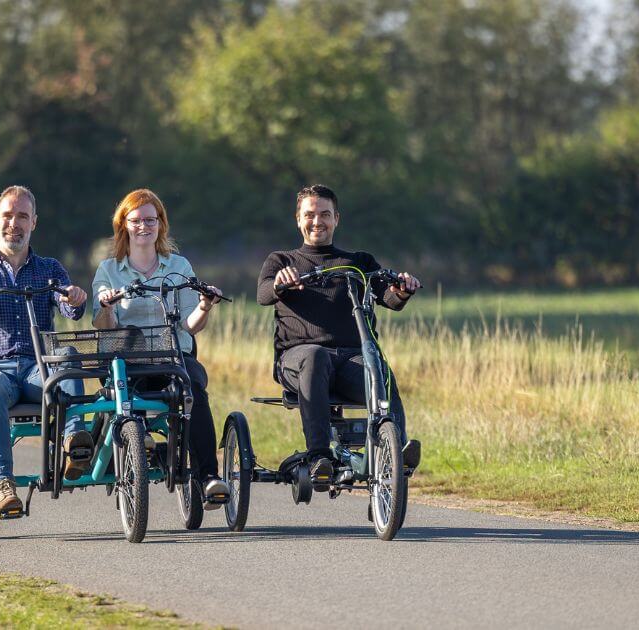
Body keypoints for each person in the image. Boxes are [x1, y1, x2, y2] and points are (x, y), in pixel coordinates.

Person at [256, 184, 422, 484]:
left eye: (325, 214)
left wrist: (402, 290)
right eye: (310, 215)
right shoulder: (282, 261)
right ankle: (319, 456)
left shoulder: (359, 263)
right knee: (316, 356)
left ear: (336, 219)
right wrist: (281, 283)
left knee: (378, 369)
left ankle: (396, 450)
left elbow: (389, 297)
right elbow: (264, 294)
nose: (317, 221)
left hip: (349, 360)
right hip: (298, 359)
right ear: (298, 219)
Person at [0, 185, 89, 516]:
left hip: (35, 369)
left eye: (22, 216)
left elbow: (68, 306)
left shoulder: (50, 269)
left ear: (34, 222)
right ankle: (2, 484)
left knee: (68, 357)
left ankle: (75, 445)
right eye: (8, 215)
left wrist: (75, 299)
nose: (15, 223)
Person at [91, 188, 230, 506]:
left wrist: (206, 306)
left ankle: (209, 477)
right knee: (126, 396)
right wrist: (108, 306)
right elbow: (102, 325)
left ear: (161, 224)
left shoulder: (179, 266)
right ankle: (142, 446)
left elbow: (190, 326)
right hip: (128, 359)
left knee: (194, 386)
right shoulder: (109, 270)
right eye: (136, 220)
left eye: (150, 220)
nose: (144, 226)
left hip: (174, 356)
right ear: (123, 224)